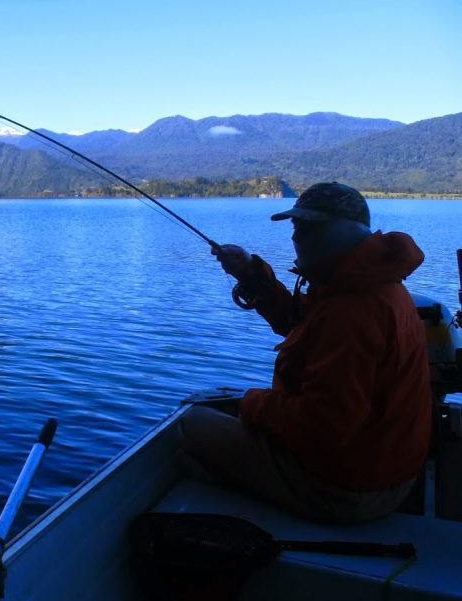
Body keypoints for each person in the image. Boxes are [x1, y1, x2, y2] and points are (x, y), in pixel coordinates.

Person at [180, 182, 431, 522]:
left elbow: (321, 428)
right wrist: (249, 272)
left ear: (345, 231)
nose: (297, 235)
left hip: (349, 490)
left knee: (191, 422)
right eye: (296, 225)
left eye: (309, 226)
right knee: (223, 406)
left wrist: (251, 403)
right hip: (379, 470)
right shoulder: (362, 284)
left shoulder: (353, 310)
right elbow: (301, 325)